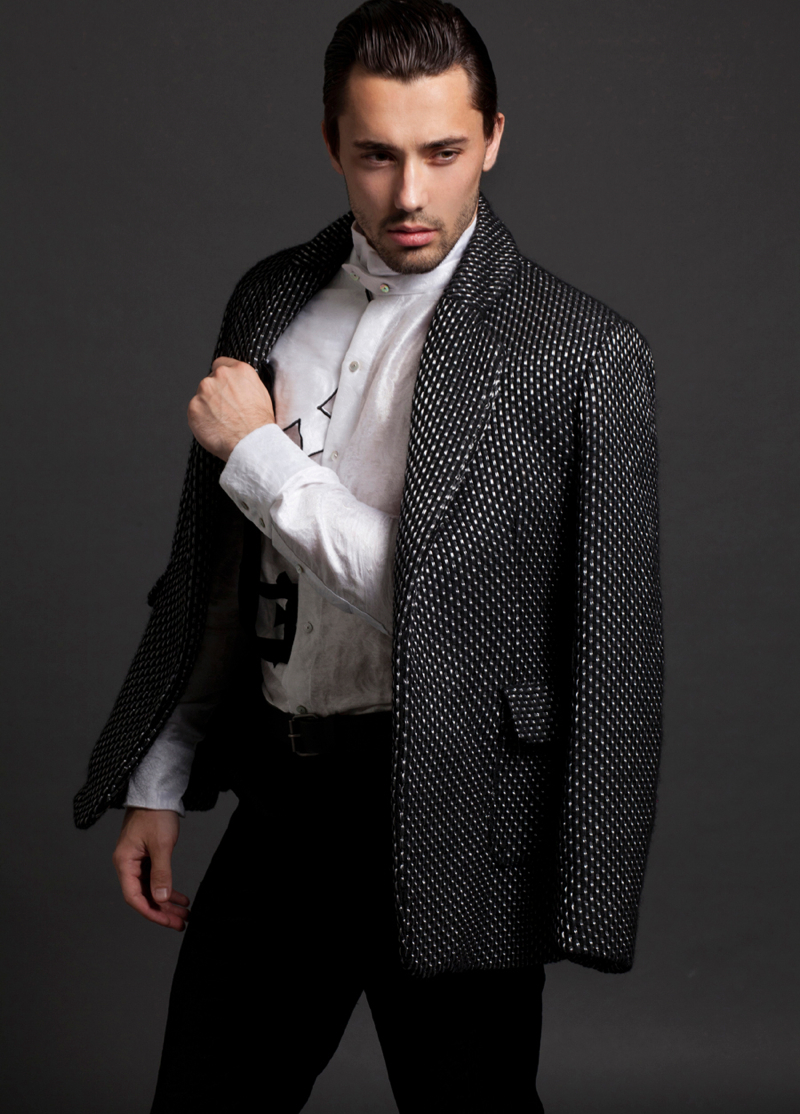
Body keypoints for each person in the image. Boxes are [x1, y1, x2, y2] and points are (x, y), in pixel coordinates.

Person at [73, 1, 663, 1110]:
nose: (409, 195)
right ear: (331, 144)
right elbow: (217, 577)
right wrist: (160, 777)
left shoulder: (577, 354)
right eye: (377, 155)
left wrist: (259, 456)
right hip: (285, 797)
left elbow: (463, 620)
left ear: (493, 138)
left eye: (443, 153)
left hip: (460, 811)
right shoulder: (271, 300)